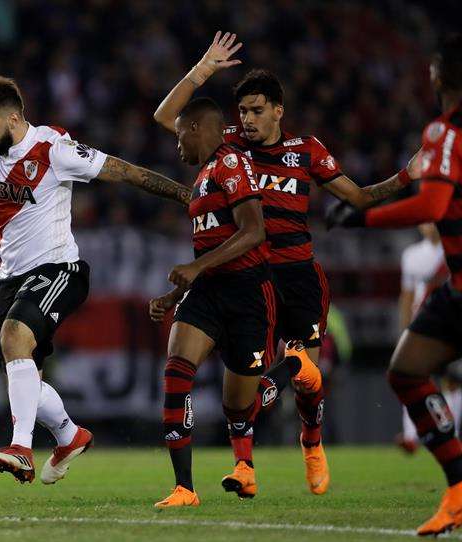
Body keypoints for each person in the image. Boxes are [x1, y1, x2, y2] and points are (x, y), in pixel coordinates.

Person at [153, 31, 420, 495]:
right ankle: (244, 467)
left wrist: (404, 177)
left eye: (258, 110)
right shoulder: (231, 144)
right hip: (252, 277)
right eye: (243, 112)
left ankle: (312, 444)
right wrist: (203, 70)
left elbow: (356, 197)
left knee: (304, 378)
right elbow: (168, 117)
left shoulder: (307, 151)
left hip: (297, 275)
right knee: (248, 383)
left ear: (278, 110)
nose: (248, 119)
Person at [0, 76, 191, 484]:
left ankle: (20, 448)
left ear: (14, 118)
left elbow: (123, 171)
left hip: (58, 270)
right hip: (11, 279)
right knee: (25, 379)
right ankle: (70, 435)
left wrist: (184, 195)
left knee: (13, 337)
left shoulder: (54, 149)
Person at [328, 34, 462, 536]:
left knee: (407, 373)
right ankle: (458, 492)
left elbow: (430, 207)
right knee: (406, 370)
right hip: (455, 290)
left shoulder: (444, 133)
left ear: (442, 77)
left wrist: (363, 219)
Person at [148, 96, 276, 507]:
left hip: (247, 291)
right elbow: (209, 246)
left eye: (179, 135)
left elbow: (254, 231)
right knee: (176, 372)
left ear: (196, 128)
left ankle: (288, 371)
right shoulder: (203, 176)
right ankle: (184, 488)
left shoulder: (231, 162)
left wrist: (197, 267)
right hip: (207, 293)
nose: (176, 144)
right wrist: (174, 295)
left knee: (237, 405)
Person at [396, 224, 462, 453]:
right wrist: (404, 328)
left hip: (451, 324)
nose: (428, 226)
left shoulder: (453, 249)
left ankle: (450, 434)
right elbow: (407, 294)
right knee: (407, 375)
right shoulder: (411, 255)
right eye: (424, 221)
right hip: (422, 325)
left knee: (452, 382)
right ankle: (410, 437)